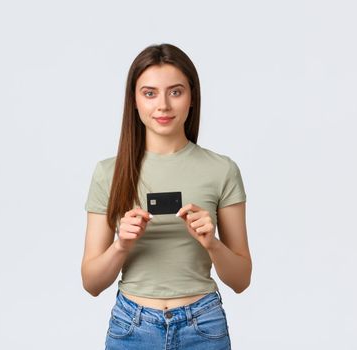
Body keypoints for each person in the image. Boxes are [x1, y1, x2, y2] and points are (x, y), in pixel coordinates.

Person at [82, 43, 252, 350]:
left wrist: (211, 242)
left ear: (191, 98)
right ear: (134, 100)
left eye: (175, 92)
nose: (163, 105)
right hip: (131, 325)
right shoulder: (109, 172)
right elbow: (91, 282)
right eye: (149, 93)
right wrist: (121, 245)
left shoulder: (222, 169)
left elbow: (241, 279)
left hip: (203, 325)